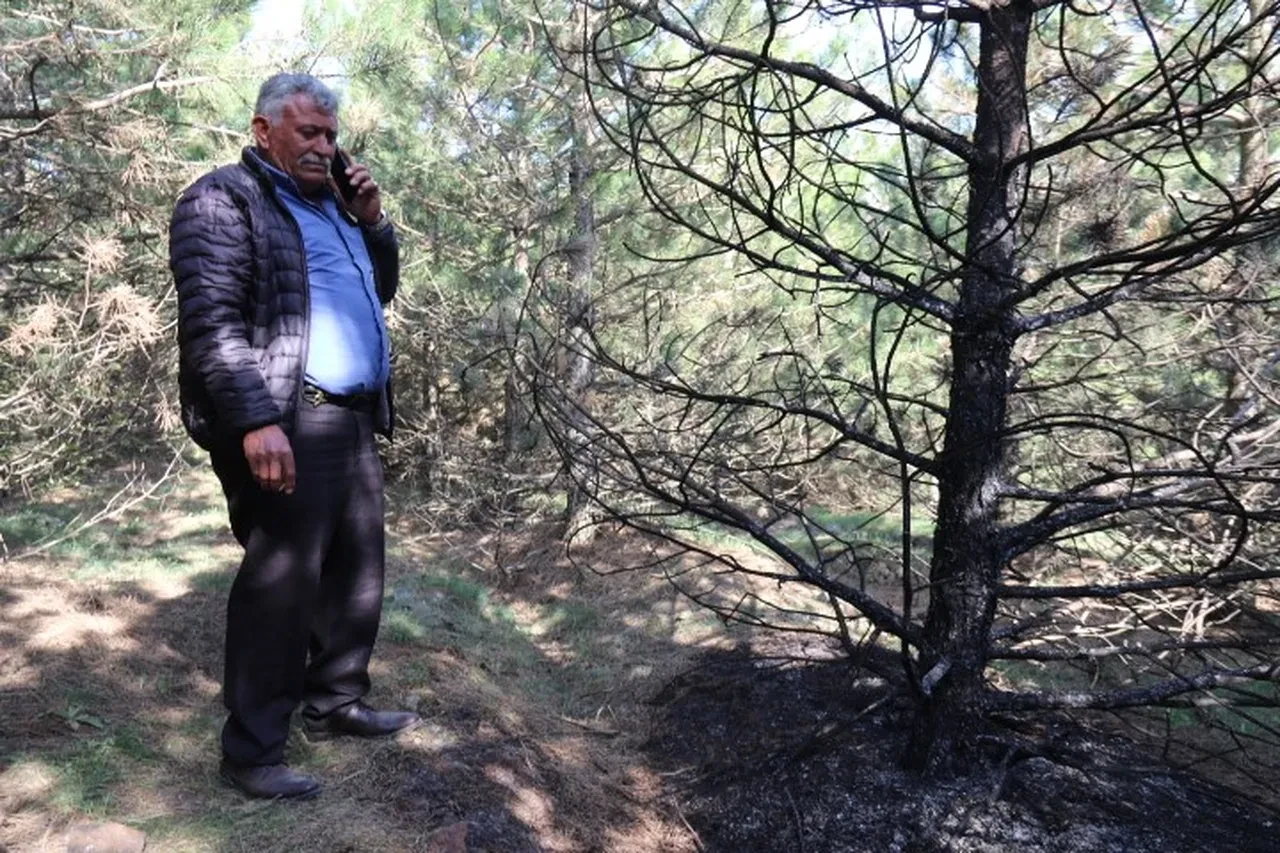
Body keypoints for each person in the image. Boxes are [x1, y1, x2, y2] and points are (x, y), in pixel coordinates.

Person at [170, 73, 419, 800]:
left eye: (331, 135)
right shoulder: (222, 200)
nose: (323, 146)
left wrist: (372, 221)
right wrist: (255, 422)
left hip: (349, 416)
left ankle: (335, 698)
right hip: (285, 414)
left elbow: (381, 289)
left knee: (356, 569)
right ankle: (251, 751)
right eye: (308, 132)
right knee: (281, 583)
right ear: (263, 130)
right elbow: (211, 324)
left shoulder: (335, 209)